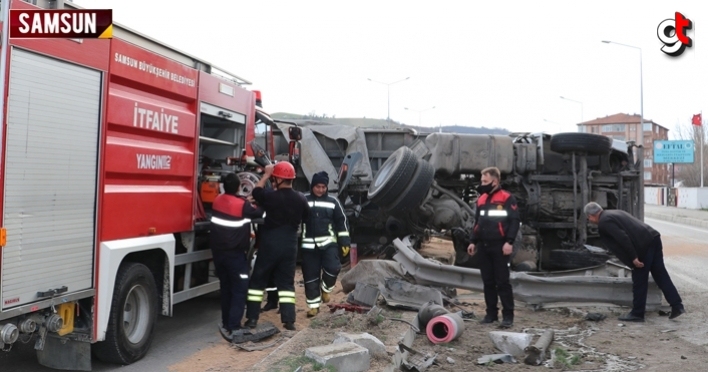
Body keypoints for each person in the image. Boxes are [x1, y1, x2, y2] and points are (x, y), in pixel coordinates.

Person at [584, 202, 685, 322]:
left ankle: (637, 313)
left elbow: (623, 238)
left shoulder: (604, 222)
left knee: (639, 280)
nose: (589, 220)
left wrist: (633, 257)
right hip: (653, 238)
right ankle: (677, 305)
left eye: (588, 218)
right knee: (660, 275)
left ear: (591, 215)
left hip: (642, 246)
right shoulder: (613, 213)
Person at [244, 162, 309, 331]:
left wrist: (265, 175)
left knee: (258, 281)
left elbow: (256, 192)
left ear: (278, 179)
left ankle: (252, 319)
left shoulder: (270, 196)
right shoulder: (301, 198)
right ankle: (289, 321)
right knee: (287, 284)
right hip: (290, 245)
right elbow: (307, 217)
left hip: (270, 243)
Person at [210, 173, 264, 342]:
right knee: (240, 290)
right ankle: (234, 326)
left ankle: (227, 323)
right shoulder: (242, 206)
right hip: (235, 256)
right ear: (239, 187)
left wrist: (244, 201)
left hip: (219, 254)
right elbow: (260, 214)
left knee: (226, 289)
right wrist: (258, 199)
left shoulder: (218, 200)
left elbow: (233, 205)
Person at [467, 167, 520, 328]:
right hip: (484, 246)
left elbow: (514, 222)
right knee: (488, 282)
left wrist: (509, 242)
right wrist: (472, 241)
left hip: (500, 246)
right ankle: (491, 314)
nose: (482, 184)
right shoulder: (481, 199)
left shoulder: (507, 198)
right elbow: (477, 223)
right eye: (481, 181)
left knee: (502, 282)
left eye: (485, 181)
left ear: (495, 181)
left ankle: (508, 316)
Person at [301, 171, 351, 317]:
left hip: (329, 244)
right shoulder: (303, 200)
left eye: (323, 187)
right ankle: (313, 306)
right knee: (310, 277)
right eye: (318, 187)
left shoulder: (333, 202)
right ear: (312, 186)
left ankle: (326, 289)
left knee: (333, 268)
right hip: (309, 247)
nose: (321, 190)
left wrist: (345, 242)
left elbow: (342, 223)